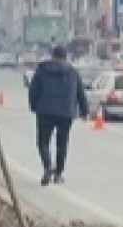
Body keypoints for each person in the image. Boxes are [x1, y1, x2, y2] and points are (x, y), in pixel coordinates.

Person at [27, 45, 89, 186]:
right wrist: (84, 111)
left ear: (52, 55)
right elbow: (80, 93)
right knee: (62, 144)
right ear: (65, 56)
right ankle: (58, 174)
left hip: (45, 111)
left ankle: (47, 167)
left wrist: (34, 106)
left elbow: (33, 90)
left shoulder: (42, 71)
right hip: (66, 112)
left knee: (43, 142)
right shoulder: (72, 72)